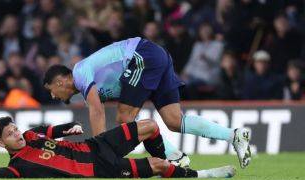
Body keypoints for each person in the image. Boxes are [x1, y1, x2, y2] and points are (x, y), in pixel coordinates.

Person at [43, 37, 252, 169]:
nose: (53, 96)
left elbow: (97, 111)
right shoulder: (89, 80)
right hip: (155, 56)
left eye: (51, 90)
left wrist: (100, 152)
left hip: (142, 56)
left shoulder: (80, 73)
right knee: (174, 121)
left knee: (125, 117)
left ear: (60, 81)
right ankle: (234, 136)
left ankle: (173, 157)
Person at [0, 116, 235, 179]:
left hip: (94, 145)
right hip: (98, 168)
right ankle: (201, 176)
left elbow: (53, 130)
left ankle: (176, 160)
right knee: (155, 167)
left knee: (150, 126)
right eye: (10, 134)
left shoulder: (32, 136)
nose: (17, 134)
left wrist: (69, 129)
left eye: (15, 129)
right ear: (1, 144)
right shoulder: (17, 168)